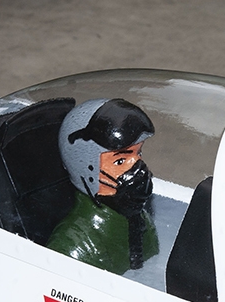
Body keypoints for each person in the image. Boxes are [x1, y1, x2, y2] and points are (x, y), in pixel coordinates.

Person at [46, 98, 158, 274]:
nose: (137, 167)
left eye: (139, 153)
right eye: (120, 160)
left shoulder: (140, 220)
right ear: (85, 166)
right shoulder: (73, 247)